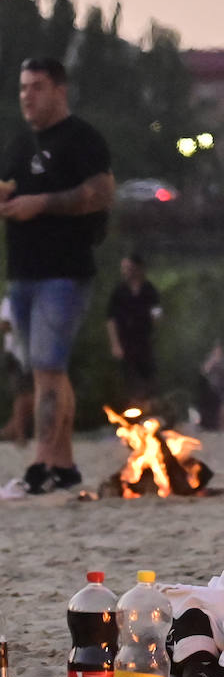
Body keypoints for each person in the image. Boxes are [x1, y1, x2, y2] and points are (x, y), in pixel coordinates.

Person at [0, 58, 114, 494]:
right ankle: (64, 465)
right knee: (46, 371)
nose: (28, 95)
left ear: (59, 90)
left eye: (37, 87)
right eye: (23, 87)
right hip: (23, 272)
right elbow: (13, 188)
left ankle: (42, 464)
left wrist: (41, 204)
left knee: (48, 367)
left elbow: (101, 194)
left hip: (63, 273)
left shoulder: (81, 139)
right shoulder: (18, 144)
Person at [106, 252, 161, 407]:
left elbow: (157, 312)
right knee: (129, 378)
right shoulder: (119, 291)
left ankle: (150, 408)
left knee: (148, 375)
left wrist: (155, 326)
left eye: (129, 268)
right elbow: (111, 320)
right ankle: (132, 410)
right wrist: (115, 344)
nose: (125, 271)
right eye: (124, 268)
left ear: (138, 269)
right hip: (125, 341)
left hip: (144, 340)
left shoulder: (149, 290)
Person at [0, 295, 32, 445]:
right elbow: (4, 325)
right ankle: (18, 434)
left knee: (32, 396)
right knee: (22, 395)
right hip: (15, 353)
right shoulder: (11, 298)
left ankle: (9, 431)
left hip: (31, 352)